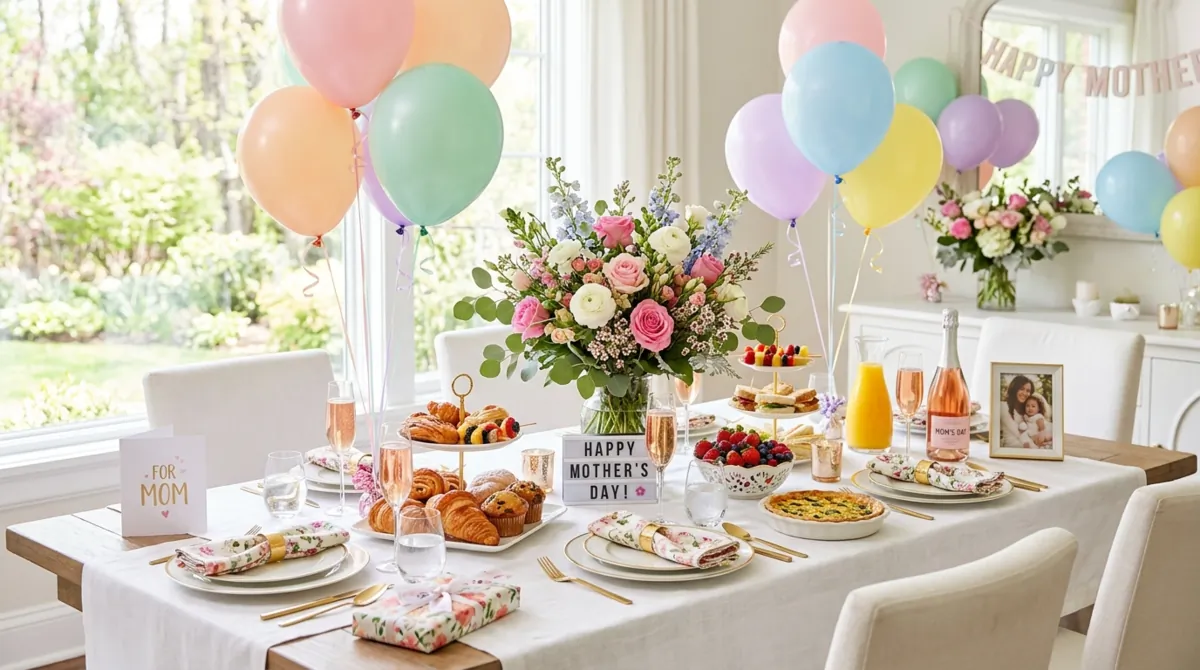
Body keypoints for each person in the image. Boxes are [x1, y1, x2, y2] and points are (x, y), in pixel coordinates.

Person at [998, 375, 1052, 449]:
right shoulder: (1003, 406)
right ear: (1014, 389)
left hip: (1033, 447)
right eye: (1021, 389)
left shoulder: (1026, 410)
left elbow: (1040, 423)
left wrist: (1044, 435)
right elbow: (1018, 433)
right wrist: (1038, 437)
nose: (1025, 393)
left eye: (1028, 391)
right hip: (1013, 448)